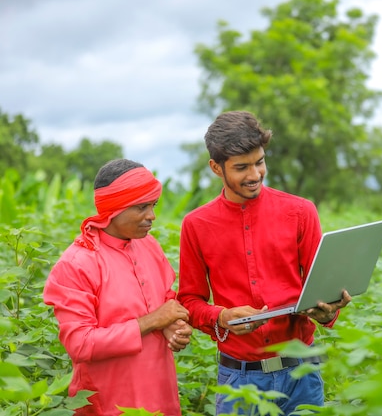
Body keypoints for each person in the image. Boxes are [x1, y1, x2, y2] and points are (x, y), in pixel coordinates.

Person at [177, 110, 351, 415]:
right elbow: (189, 301)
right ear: (216, 168)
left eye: (260, 162)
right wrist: (222, 316)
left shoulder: (301, 211)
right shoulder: (196, 224)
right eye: (242, 167)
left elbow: (321, 286)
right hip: (239, 380)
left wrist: (326, 312)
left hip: (302, 374)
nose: (255, 174)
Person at [43, 159, 192, 416]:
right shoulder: (77, 263)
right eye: (142, 207)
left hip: (161, 395)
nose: (152, 216)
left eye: (153, 205)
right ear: (113, 209)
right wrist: (152, 321)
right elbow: (80, 344)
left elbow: (166, 302)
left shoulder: (149, 246)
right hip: (109, 402)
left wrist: (172, 327)